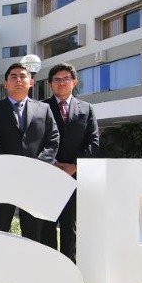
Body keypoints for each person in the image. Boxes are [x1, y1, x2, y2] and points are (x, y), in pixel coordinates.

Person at [0, 62, 60, 283]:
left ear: (31, 82)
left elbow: (53, 140)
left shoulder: (43, 109)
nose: (18, 80)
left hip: (33, 183)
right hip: (3, 182)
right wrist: (9, 166)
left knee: (32, 234)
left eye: (23, 76)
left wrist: (37, 165)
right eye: (13, 76)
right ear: (5, 83)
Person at [42, 63, 99, 262]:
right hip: (47, 175)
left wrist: (74, 166)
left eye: (66, 78)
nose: (61, 83)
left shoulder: (87, 109)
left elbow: (93, 142)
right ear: (50, 84)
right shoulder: (41, 107)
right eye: (57, 79)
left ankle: (69, 267)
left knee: (70, 226)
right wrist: (53, 163)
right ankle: (50, 267)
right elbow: (36, 140)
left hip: (75, 177)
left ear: (74, 82)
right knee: (46, 225)